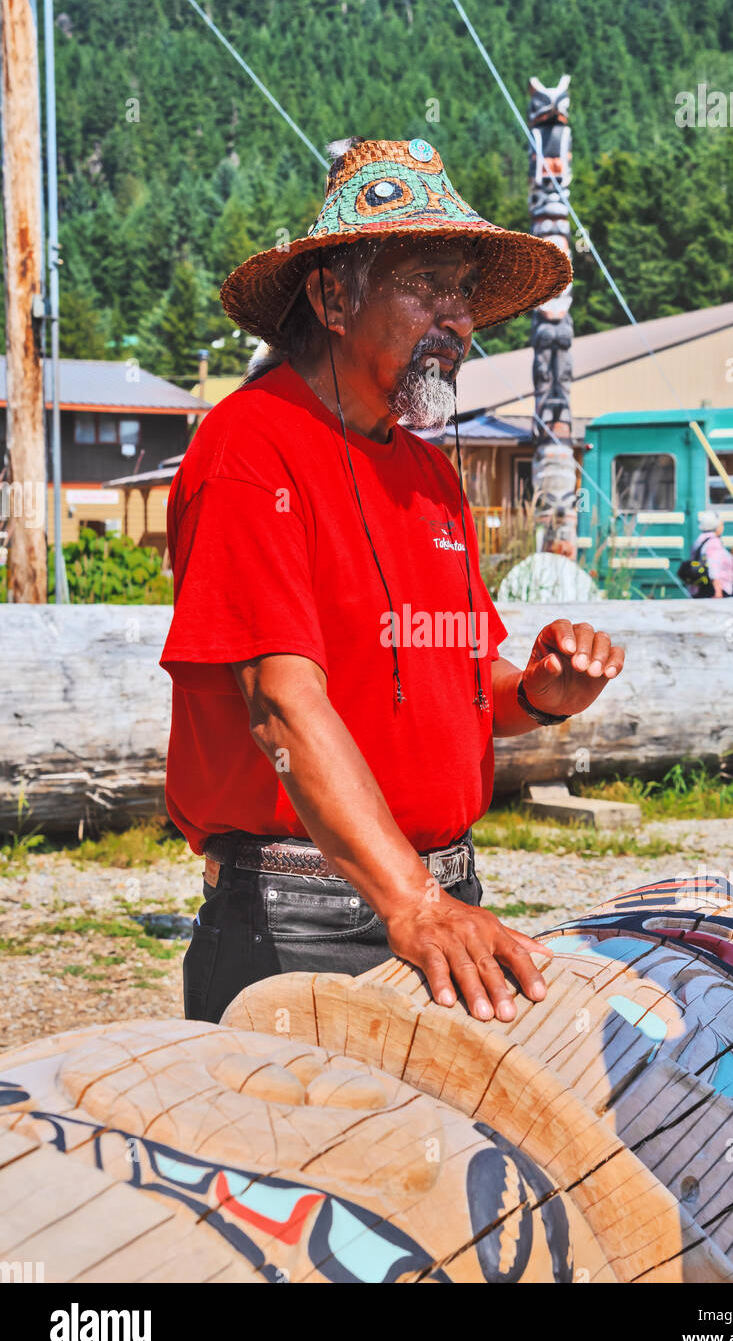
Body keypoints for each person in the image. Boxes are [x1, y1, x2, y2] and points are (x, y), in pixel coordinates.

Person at [160, 137, 626, 1029]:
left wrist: (541, 694)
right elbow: (282, 705)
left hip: (437, 893)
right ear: (333, 296)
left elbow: (459, 689)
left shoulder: (428, 473)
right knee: (294, 1167)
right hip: (301, 922)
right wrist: (410, 903)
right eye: (427, 284)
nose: (457, 318)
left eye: (463, 293)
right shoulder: (251, 447)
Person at [689, 509, 733, 598]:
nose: (723, 527)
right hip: (715, 591)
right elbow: (714, 568)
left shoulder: (699, 540)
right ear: (716, 525)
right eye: (722, 524)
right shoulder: (714, 543)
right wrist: (717, 592)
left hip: (700, 588)